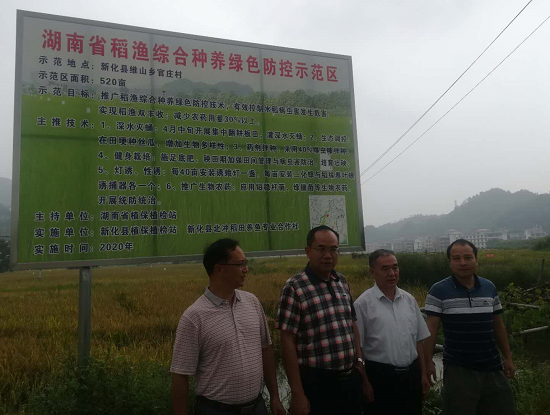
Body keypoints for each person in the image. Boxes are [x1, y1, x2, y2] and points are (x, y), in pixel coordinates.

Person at [170, 238, 285, 415]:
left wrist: (275, 397)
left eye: (245, 263)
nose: (246, 269)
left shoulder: (252, 302)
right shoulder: (194, 317)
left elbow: (266, 349)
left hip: (257, 407)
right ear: (219, 269)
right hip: (215, 410)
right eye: (240, 264)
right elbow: (180, 374)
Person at [276, 225, 369, 415]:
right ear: (308, 251)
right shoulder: (294, 287)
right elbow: (287, 341)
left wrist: (359, 362)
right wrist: (297, 393)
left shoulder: (342, 282)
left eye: (333, 249)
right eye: (321, 249)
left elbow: (351, 323)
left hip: (349, 379)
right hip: (317, 383)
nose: (328, 255)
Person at [424, 239, 516, 415]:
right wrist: (428, 362)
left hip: (493, 367)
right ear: (450, 263)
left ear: (476, 260)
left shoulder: (489, 287)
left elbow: (498, 325)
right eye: (456, 258)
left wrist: (508, 357)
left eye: (468, 257)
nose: (463, 263)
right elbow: (431, 330)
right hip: (459, 370)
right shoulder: (438, 290)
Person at [354, 249, 431, 415]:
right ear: (372, 272)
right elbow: (358, 349)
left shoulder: (409, 300)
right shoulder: (362, 304)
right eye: (385, 269)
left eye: (395, 268)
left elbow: (419, 340)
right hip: (380, 378)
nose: (392, 273)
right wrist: (364, 382)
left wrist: (423, 374)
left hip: (411, 376)